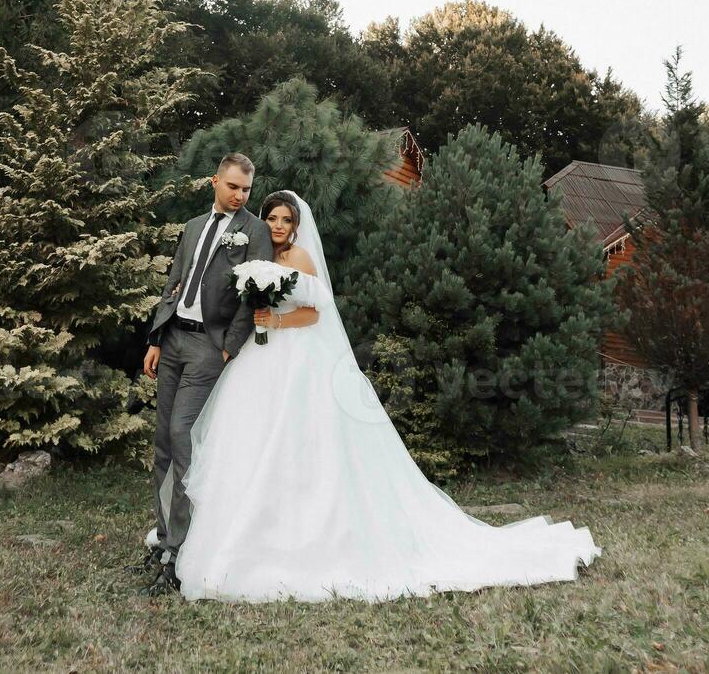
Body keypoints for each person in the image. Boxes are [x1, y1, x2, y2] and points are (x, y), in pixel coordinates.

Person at [145, 188, 601, 602]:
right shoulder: (256, 260)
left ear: (296, 225)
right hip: (257, 363)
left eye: (285, 219)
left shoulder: (301, 260)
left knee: (299, 442)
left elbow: (315, 313)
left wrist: (275, 322)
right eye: (272, 219)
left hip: (297, 360)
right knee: (248, 440)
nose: (278, 226)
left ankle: (300, 536)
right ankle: (227, 531)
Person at [126, 153, 274, 596]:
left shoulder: (255, 231)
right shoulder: (192, 227)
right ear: (215, 182)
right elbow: (175, 281)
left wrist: (229, 345)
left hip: (209, 347)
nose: (239, 195)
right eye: (232, 187)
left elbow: (256, 295)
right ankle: (163, 540)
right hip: (172, 340)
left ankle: (182, 552)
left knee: (182, 435)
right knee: (162, 445)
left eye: (246, 189)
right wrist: (155, 339)